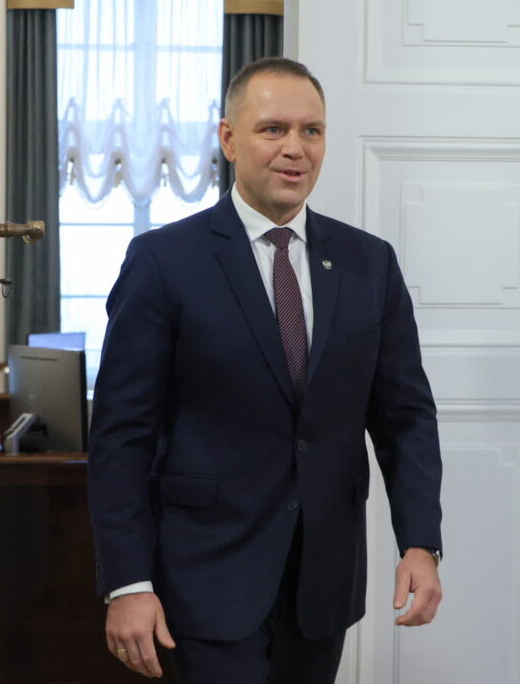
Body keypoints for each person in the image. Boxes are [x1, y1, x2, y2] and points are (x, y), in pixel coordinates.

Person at [87, 57, 443, 683]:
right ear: (228, 139)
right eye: (273, 129)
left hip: (323, 582)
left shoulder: (369, 264)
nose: (295, 149)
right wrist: (128, 581)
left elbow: (405, 418)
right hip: (203, 577)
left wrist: (420, 541)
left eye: (311, 131)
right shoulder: (164, 261)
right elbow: (122, 435)